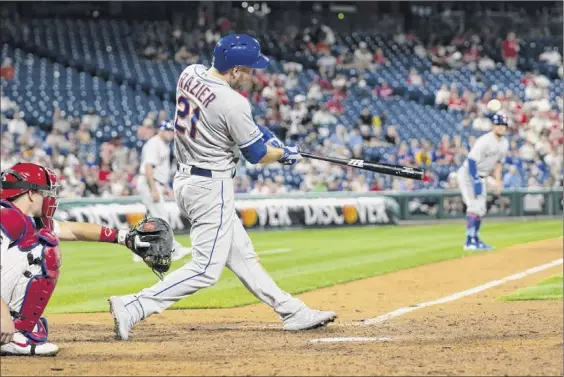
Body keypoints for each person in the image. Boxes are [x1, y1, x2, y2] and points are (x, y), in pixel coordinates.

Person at [109, 34, 336, 340]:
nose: (252, 75)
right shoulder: (233, 102)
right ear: (233, 70)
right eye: (248, 69)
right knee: (205, 269)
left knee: (242, 256)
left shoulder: (189, 73)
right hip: (210, 187)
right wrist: (284, 154)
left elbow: (237, 125)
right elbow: (256, 154)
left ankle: (291, 310)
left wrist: (266, 134)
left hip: (188, 180)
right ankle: (133, 306)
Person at [0, 163, 162, 356]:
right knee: (45, 248)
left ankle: (17, 327)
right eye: (45, 192)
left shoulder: (18, 217)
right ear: (31, 193)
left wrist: (123, 237)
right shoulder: (8, 217)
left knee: (43, 241)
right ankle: (20, 334)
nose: (49, 198)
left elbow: (74, 230)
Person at [135, 120, 191, 263]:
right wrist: (154, 189)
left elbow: (159, 169)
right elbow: (148, 168)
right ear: (162, 130)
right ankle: (174, 250)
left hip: (154, 183)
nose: (171, 135)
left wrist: (164, 187)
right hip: (149, 183)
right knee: (161, 219)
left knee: (151, 220)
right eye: (169, 131)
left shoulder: (162, 144)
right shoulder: (155, 143)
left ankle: (139, 251)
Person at [456, 111, 509, 251]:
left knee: (481, 209)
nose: (501, 127)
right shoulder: (485, 140)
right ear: (493, 126)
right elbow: (472, 160)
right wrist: (475, 180)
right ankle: (469, 241)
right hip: (468, 174)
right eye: (498, 125)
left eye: (503, 125)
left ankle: (476, 238)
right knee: (473, 206)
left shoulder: (504, 144)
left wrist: (498, 181)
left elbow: (498, 164)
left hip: (482, 176)